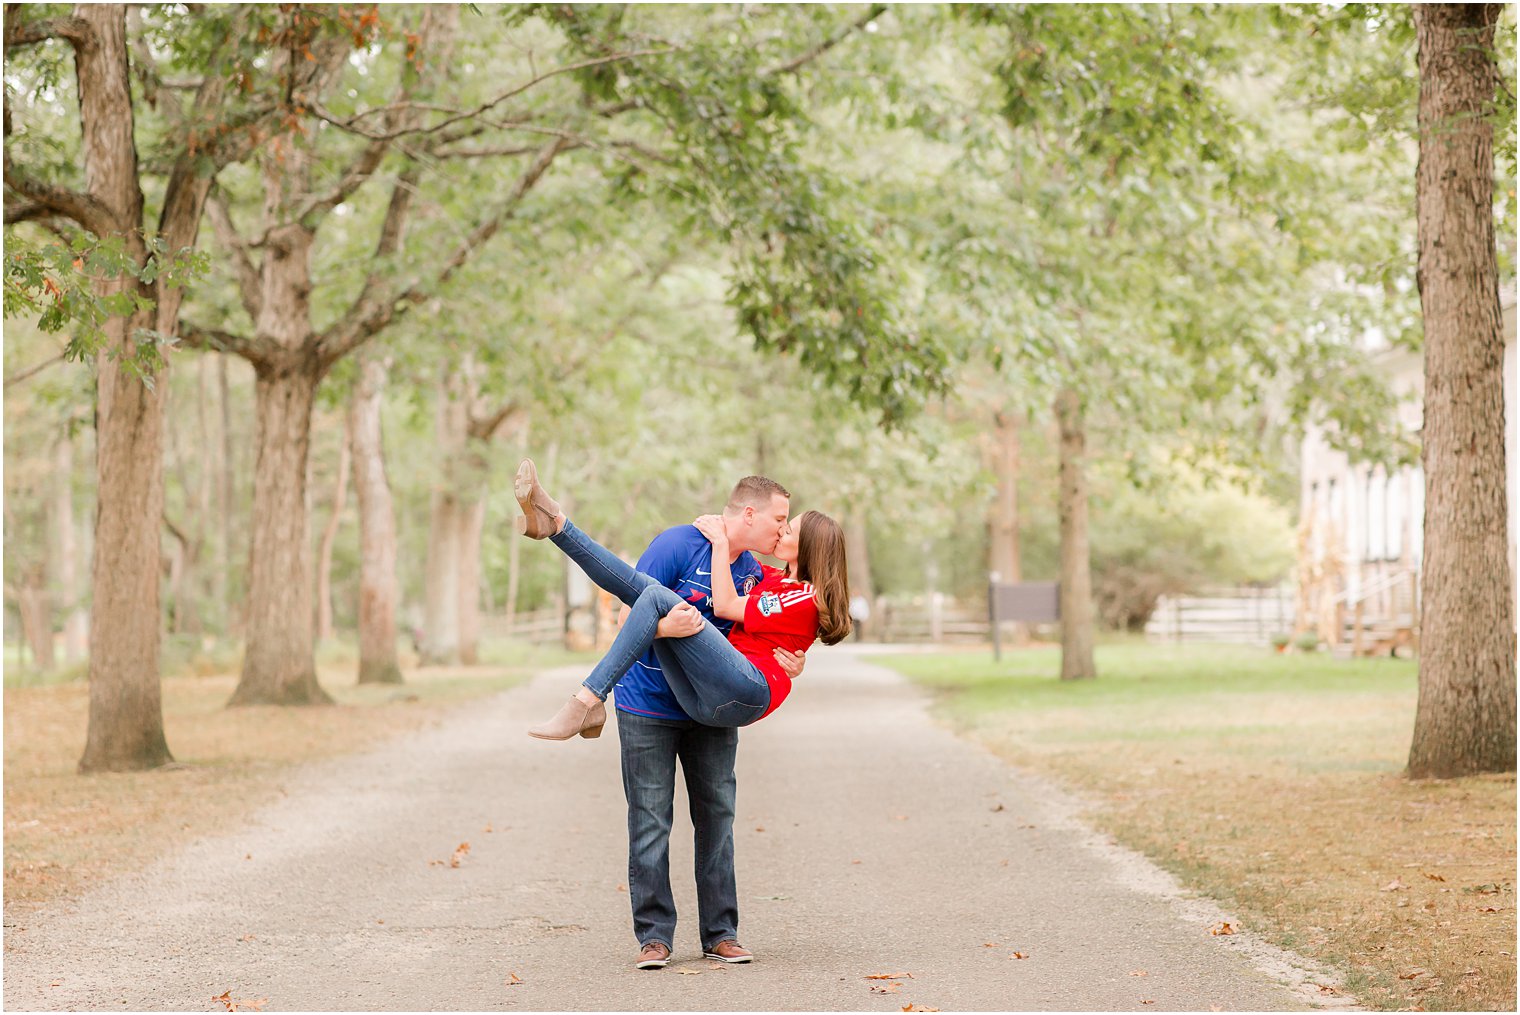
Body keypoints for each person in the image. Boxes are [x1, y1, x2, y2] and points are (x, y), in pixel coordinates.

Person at [512, 459, 850, 969]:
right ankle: (655, 937)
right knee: (649, 820)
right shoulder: (678, 544)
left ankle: (721, 933)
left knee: (717, 818)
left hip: (708, 708)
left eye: (789, 525)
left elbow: (772, 626)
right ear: (751, 514)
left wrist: (794, 660)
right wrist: (665, 630)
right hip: (649, 701)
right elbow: (631, 611)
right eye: (781, 519)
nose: (783, 528)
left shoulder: (756, 573)